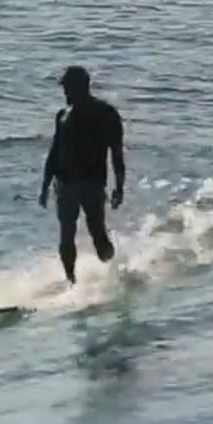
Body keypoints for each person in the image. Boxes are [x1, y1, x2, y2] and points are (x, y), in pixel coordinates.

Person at [38, 65, 126, 284]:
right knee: (66, 235)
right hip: (65, 185)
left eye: (68, 88)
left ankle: (114, 275)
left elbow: (116, 153)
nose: (65, 92)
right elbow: (54, 152)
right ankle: (71, 282)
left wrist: (119, 187)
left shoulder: (106, 114)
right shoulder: (62, 116)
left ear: (80, 87)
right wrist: (45, 185)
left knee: (98, 235)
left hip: (92, 184)